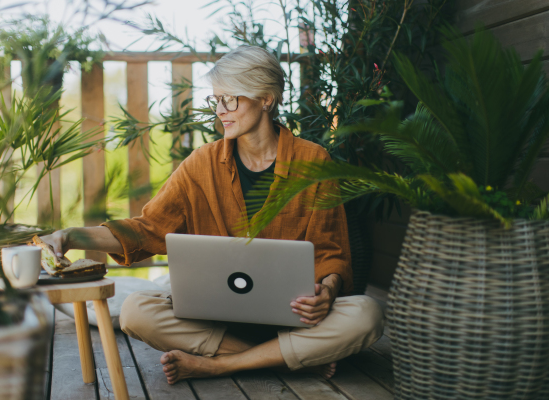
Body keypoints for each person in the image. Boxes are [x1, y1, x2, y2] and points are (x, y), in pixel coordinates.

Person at [41, 45, 384, 385]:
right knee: (135, 311)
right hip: (218, 317)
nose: (220, 110)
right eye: (216, 100)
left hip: (291, 316)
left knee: (367, 315)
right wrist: (72, 236)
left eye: (230, 99)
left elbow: (331, 253)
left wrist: (327, 290)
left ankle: (222, 365)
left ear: (266, 98)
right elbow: (147, 230)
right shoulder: (200, 164)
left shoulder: (315, 162)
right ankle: (279, 359)